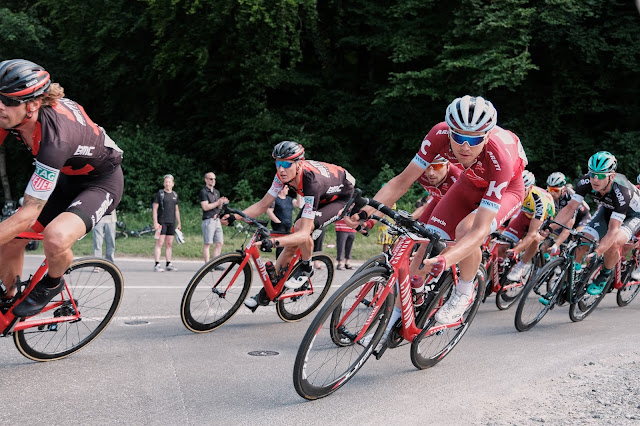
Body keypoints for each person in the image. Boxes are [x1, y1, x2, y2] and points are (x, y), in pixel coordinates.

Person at [354, 95, 527, 332]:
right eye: (459, 137)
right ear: (449, 131)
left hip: (508, 189)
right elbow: (401, 182)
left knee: (465, 230)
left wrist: (447, 258)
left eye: (474, 139)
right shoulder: (438, 134)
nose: (466, 146)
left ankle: (464, 291)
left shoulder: (500, 157)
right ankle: (396, 315)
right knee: (427, 238)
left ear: (487, 135)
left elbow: (478, 231)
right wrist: (367, 211)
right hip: (469, 182)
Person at [0, 59, 123, 317]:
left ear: (33, 105)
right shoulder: (13, 115)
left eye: (9, 101)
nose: (0, 105)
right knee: (11, 241)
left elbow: (28, 213)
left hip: (101, 182)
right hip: (65, 177)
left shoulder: (55, 139)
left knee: (55, 237)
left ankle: (53, 282)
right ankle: (7, 298)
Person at [222, 141, 355, 311]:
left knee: (300, 229)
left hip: (340, 197)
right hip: (319, 195)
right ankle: (267, 293)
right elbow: (263, 205)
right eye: (278, 163)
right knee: (290, 246)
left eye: (286, 164)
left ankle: (307, 267)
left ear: (299, 164)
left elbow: (304, 232)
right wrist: (236, 216)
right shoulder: (281, 176)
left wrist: (274, 242)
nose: (281, 169)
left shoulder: (310, 181)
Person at [553, 151, 640, 296]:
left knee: (612, 244)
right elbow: (570, 208)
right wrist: (551, 226)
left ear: (611, 176)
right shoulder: (586, 181)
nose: (595, 179)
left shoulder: (622, 191)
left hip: (633, 215)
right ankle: (572, 280)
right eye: (592, 173)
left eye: (600, 175)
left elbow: (613, 230)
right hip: (609, 209)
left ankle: (604, 275)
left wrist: (598, 252)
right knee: (583, 240)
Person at [503, 171, 555, 281]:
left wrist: (516, 250)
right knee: (503, 241)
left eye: (522, 189)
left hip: (543, 216)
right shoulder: (513, 191)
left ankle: (522, 265)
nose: (519, 192)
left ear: (530, 187)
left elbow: (532, 234)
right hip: (525, 213)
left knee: (535, 238)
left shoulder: (538, 201)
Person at [152, 174, 181, 272]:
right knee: (160, 242)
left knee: (169, 243)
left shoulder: (175, 195)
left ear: (173, 183)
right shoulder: (160, 194)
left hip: (171, 222)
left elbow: (176, 210)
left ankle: (169, 263)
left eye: (169, 182)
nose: (167, 184)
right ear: (164, 183)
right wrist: (155, 222)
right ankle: (157, 264)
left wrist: (179, 222)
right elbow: (155, 209)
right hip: (162, 222)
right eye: (166, 182)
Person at [266, 184, 302, 258]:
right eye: (286, 187)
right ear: (281, 189)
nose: (288, 189)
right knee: (280, 244)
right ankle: (278, 263)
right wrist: (277, 221)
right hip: (279, 225)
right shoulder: (275, 199)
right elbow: (269, 211)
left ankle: (284, 262)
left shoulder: (289, 199)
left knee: (286, 244)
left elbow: (298, 204)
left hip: (287, 224)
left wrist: (298, 193)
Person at [200, 172, 228, 263]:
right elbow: (205, 207)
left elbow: (218, 207)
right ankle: (207, 264)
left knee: (219, 242)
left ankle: (215, 263)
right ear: (206, 180)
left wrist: (222, 203)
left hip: (216, 219)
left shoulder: (216, 192)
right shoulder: (204, 192)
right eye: (211, 179)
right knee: (208, 243)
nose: (213, 181)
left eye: (214, 179)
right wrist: (217, 202)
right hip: (208, 219)